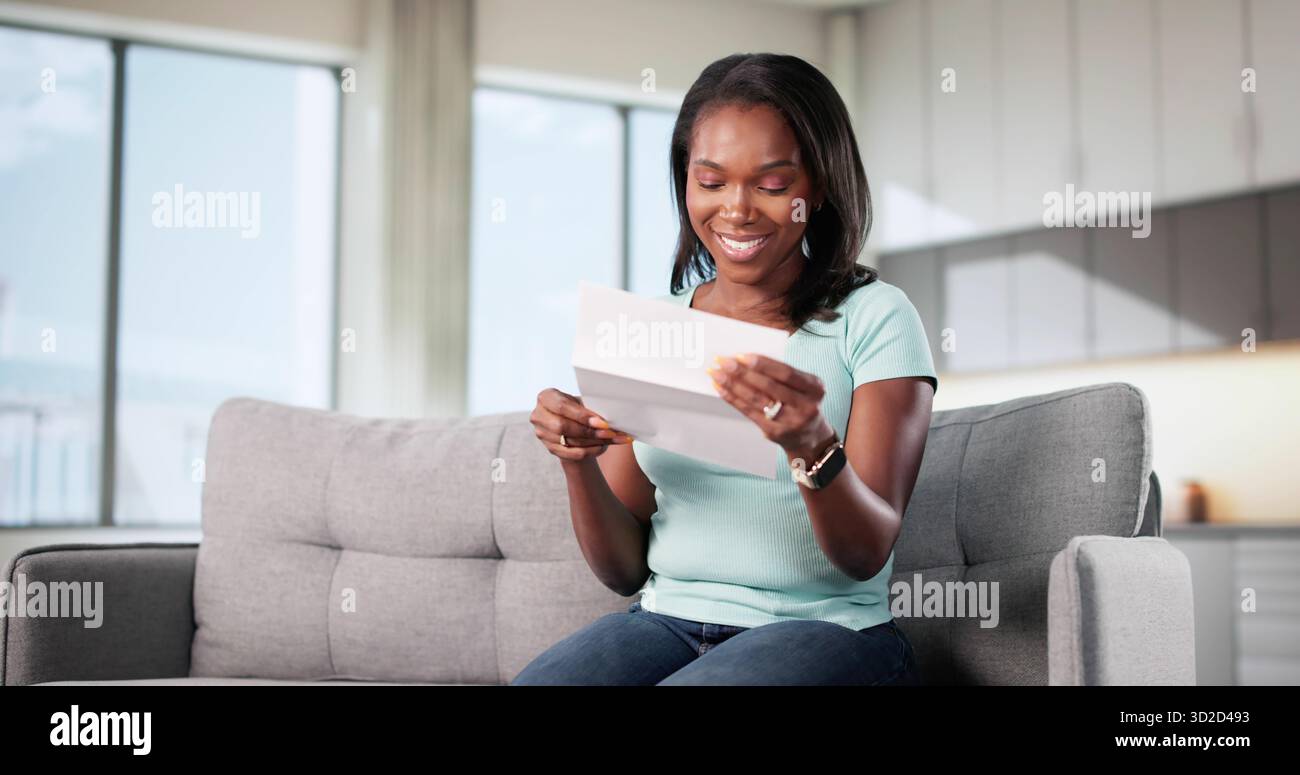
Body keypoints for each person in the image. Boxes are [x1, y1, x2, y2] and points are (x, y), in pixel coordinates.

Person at [512, 52, 937, 685]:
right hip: (666, 620)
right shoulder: (654, 327)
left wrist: (810, 446)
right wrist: (577, 465)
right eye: (711, 182)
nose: (736, 210)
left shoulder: (874, 318)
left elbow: (864, 554)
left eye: (771, 185)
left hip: (828, 631)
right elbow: (623, 570)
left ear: (816, 186)